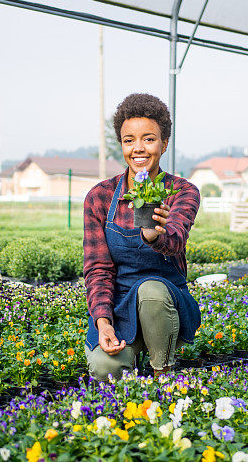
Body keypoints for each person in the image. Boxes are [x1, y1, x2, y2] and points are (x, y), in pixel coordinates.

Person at [83, 93, 201, 381]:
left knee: (151, 290)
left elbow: (175, 241)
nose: (138, 148)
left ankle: (164, 375)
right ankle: (131, 357)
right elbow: (98, 269)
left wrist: (153, 237)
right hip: (121, 305)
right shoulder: (100, 197)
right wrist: (104, 322)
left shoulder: (181, 191)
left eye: (148, 139)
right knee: (103, 368)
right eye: (128, 140)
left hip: (166, 302)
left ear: (164, 143)